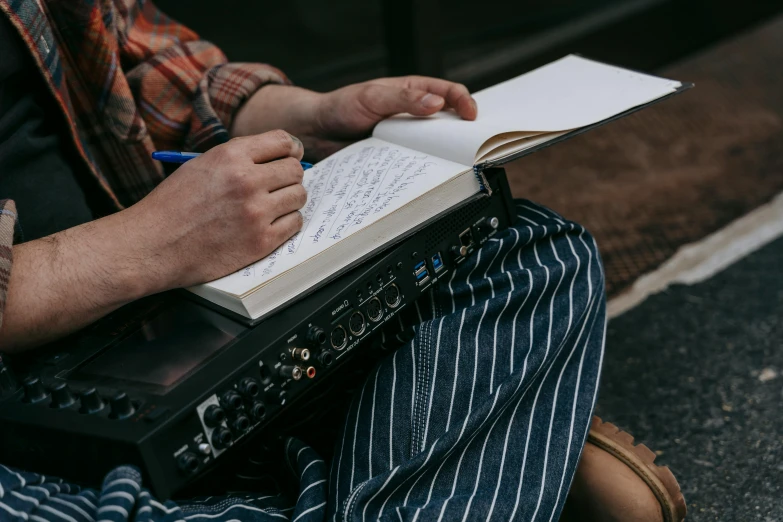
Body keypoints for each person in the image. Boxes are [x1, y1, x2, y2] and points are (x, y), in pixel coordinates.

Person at [0, 1, 685, 520]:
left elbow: (139, 60)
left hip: (158, 304)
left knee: (526, 256)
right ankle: (474, 459)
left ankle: (428, 461)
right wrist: (146, 244)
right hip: (42, 362)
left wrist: (305, 114)